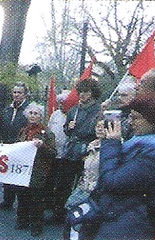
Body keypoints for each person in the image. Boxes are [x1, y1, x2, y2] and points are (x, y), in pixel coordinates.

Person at [80, 92, 155, 239]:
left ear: (154, 119)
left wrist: (111, 143)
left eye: (135, 118)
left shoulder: (154, 153)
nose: (129, 122)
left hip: (129, 224)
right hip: (120, 218)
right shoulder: (139, 143)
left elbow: (112, 180)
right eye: (129, 116)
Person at [54, 78, 101, 222]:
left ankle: (82, 214)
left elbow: (97, 131)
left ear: (92, 93)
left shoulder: (98, 110)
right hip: (71, 150)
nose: (82, 95)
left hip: (88, 150)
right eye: (80, 92)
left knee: (85, 184)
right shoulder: (73, 110)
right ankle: (59, 213)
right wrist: (68, 128)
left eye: (86, 92)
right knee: (63, 182)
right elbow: (66, 131)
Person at [14, 103, 56, 237]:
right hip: (23, 169)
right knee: (22, 196)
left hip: (38, 170)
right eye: (30, 113)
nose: (33, 116)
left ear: (40, 116)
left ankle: (37, 225)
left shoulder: (47, 133)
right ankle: (22, 220)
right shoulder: (23, 131)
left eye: (36, 113)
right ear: (27, 115)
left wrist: (42, 146)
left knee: (37, 199)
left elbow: (53, 153)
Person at [63, 120, 106, 239]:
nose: (99, 129)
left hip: (95, 189)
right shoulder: (91, 145)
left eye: (103, 127)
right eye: (97, 126)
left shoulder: (111, 147)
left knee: (84, 221)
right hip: (83, 186)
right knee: (71, 212)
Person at [0, 82, 30, 211]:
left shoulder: (29, 110)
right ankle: (7, 201)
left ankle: (21, 207)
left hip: (21, 148)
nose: (16, 95)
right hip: (7, 146)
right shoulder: (6, 109)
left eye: (19, 92)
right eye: (14, 92)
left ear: (25, 94)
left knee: (18, 176)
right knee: (7, 174)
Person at [47, 90, 70, 210]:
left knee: (61, 182)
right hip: (53, 153)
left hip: (65, 155)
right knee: (50, 179)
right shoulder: (55, 114)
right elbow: (49, 129)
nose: (62, 105)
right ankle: (48, 202)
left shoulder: (72, 115)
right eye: (60, 102)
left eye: (64, 103)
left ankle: (58, 206)